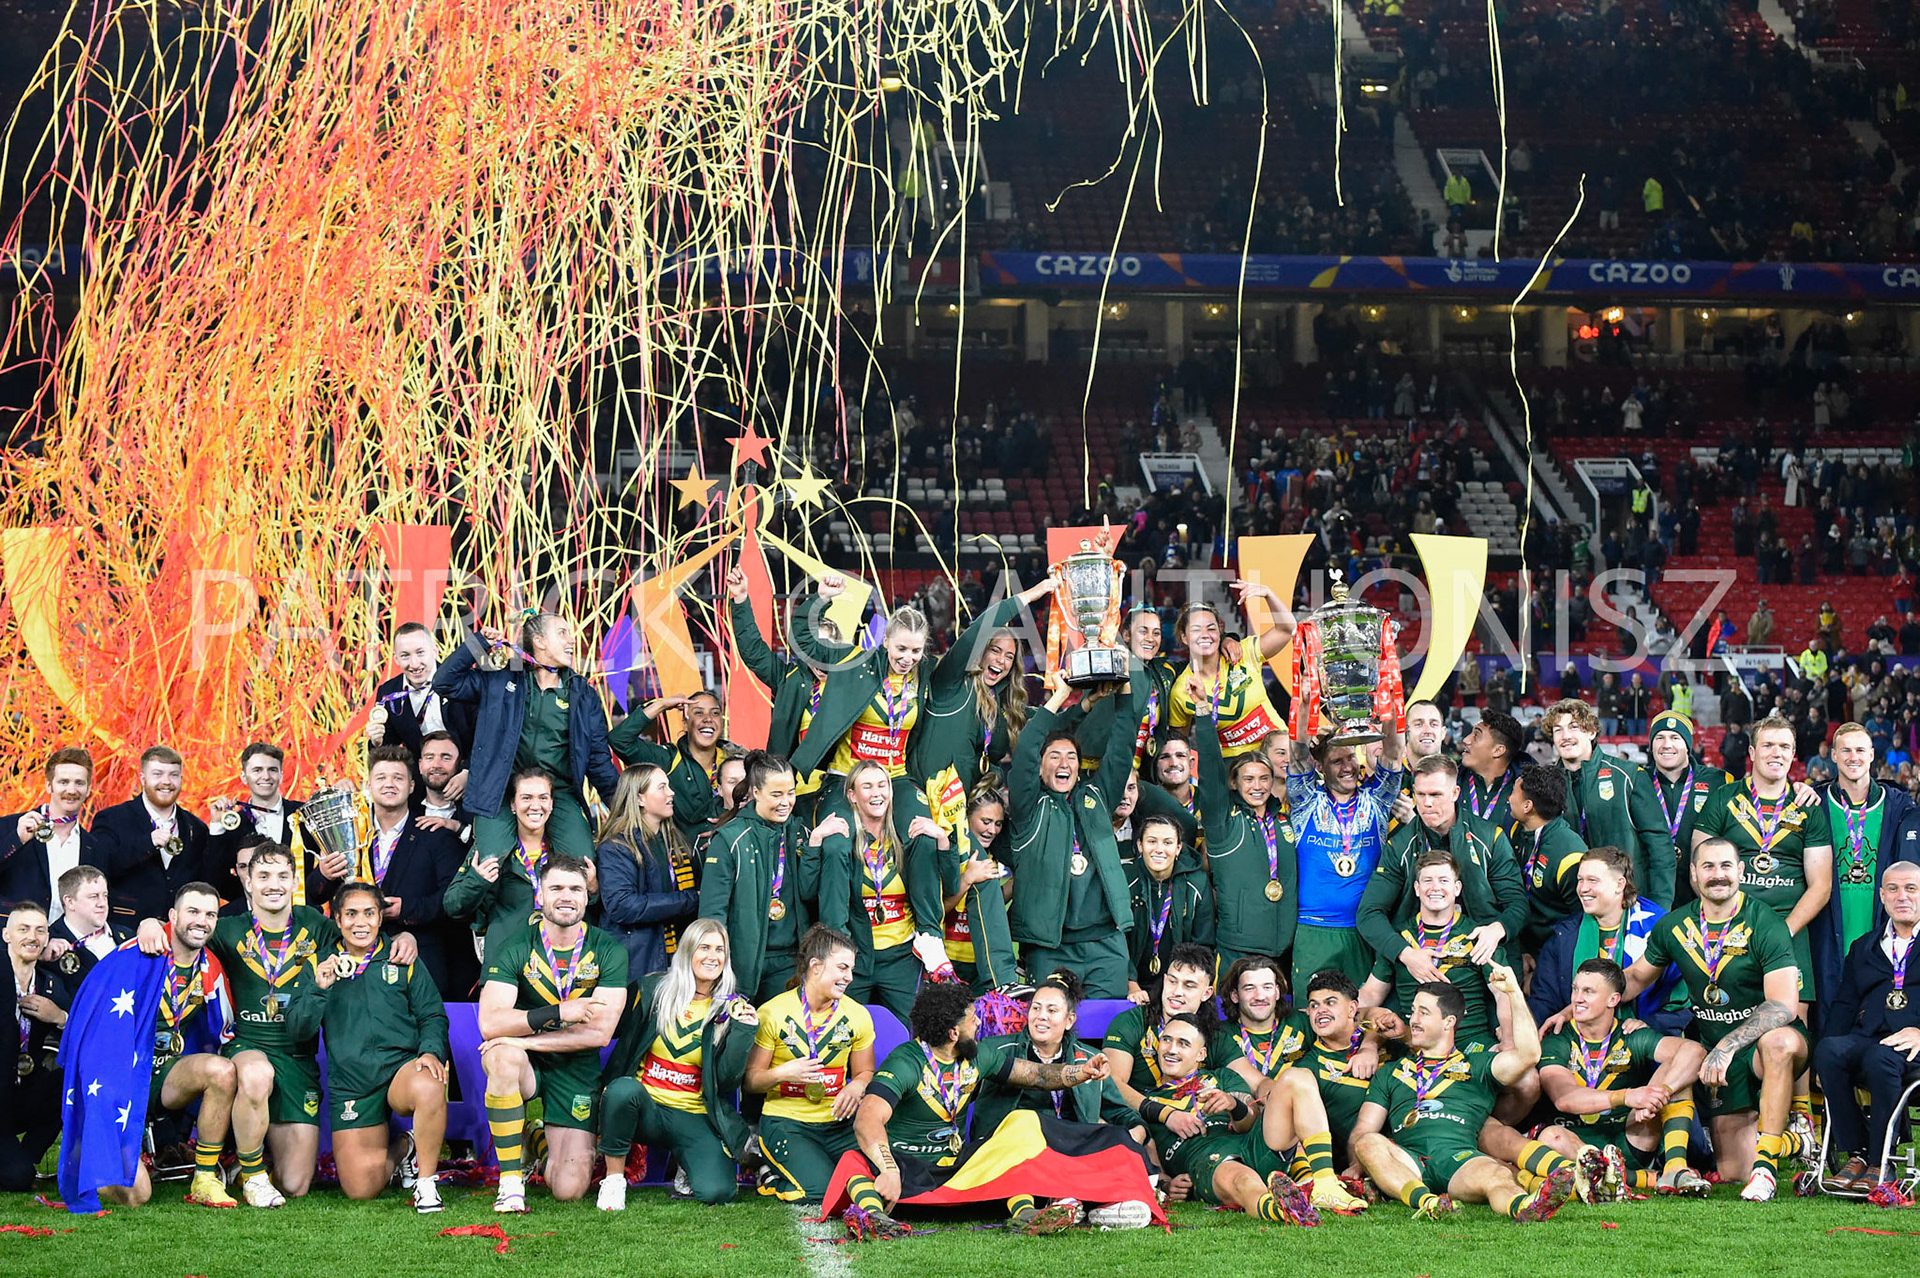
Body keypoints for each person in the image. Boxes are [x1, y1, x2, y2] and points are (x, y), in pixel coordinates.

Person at [836, 982, 1130, 1239]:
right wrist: (888, 1169)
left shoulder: (979, 1055)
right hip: (907, 1166)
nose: (978, 1023)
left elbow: (1036, 1075)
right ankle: (875, 1218)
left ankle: (1026, 1215)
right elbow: (868, 1117)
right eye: (973, 1018)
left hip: (958, 1164)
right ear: (954, 1032)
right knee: (854, 1162)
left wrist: (1081, 1072)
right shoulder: (906, 1061)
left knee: (1018, 1131)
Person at [1620, 837, 1812, 1200]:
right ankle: (1793, 1141)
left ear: (1741, 871)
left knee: (1780, 1042)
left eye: (1726, 866)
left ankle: (1768, 1168)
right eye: (1708, 867)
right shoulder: (1675, 925)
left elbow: (1784, 1005)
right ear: (1693, 875)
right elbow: (1634, 979)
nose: (1718, 875)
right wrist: (1579, 1004)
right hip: (1714, 1047)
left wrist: (1727, 1044)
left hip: (1757, 1045)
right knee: (1733, 1171)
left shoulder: (1766, 922)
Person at [56, 881, 260, 1210]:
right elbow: (94, 1033)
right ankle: (90, 1147)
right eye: (193, 911)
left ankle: (205, 1178)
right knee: (137, 1196)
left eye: (210, 914)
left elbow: (225, 1034)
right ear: (172, 915)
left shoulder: (209, 968)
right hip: (117, 1079)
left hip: (165, 1076)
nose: (201, 921)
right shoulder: (134, 955)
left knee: (221, 1070)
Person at [174, 843, 348, 1200]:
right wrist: (150, 924)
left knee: (295, 1185)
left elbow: (361, 940)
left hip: (298, 1057)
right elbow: (180, 936)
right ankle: (253, 1175)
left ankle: (240, 1165)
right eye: (264, 876)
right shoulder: (226, 928)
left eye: (283, 875)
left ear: (295, 880)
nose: (274, 884)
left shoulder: (316, 925)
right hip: (247, 1045)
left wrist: (403, 937)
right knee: (256, 1074)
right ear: (247, 881)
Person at [1350, 967, 1573, 1222]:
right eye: (1413, 1011)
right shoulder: (1390, 1071)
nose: (1414, 1019)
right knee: (1367, 1142)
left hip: (1460, 1160)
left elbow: (1529, 1055)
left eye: (1424, 1012)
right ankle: (1428, 1202)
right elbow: (1363, 1129)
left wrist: (1513, 994)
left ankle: (1524, 1206)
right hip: (1407, 1160)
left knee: (1496, 1175)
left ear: (1449, 1022)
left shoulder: (1477, 1065)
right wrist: (1358, 1164)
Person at [477, 854, 629, 1210]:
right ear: (540, 895)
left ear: (587, 896)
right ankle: (511, 1181)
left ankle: (536, 1138)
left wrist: (522, 1036)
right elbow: (490, 1023)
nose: (566, 896)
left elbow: (598, 1034)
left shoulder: (608, 951)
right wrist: (560, 1012)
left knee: (569, 1189)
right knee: (500, 1055)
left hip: (575, 1067)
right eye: (556, 887)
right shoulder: (515, 945)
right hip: (525, 1063)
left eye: (575, 888)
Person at [596, 918, 758, 1209]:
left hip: (692, 1113)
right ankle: (614, 1181)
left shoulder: (731, 1007)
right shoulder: (652, 989)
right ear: (687, 951)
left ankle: (688, 1166)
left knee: (718, 1192)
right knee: (621, 1091)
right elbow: (614, 1035)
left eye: (720, 949)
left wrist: (744, 1032)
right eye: (704, 947)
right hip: (646, 1107)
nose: (713, 956)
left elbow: (727, 1080)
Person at [434, 610, 620, 863]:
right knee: (488, 865)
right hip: (501, 791)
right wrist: (478, 644)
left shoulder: (583, 694)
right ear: (540, 641)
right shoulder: (501, 682)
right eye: (563, 633)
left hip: (559, 793)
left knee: (583, 865)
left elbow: (598, 761)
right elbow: (445, 683)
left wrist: (623, 809)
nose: (572, 641)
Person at [1005, 672, 1147, 997]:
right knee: (1048, 1032)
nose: (1063, 762)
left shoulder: (1097, 797)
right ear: (1040, 768)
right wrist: (1061, 695)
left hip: (1105, 946)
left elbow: (1122, 747)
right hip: (1050, 947)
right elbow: (1027, 747)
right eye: (1053, 756)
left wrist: (1125, 693)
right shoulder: (1030, 806)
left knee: (1103, 1031)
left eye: (1071, 756)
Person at [310, 881, 450, 1210]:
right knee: (361, 1189)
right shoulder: (319, 964)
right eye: (352, 914)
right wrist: (318, 989)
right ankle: (404, 1147)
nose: (361, 922)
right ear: (337, 919)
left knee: (429, 1082)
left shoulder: (402, 956)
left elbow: (432, 1014)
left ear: (380, 918)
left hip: (399, 1071)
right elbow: (298, 1029)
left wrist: (430, 1050)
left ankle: (426, 1184)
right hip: (353, 1082)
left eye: (369, 913)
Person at [1692, 713, 1835, 1012]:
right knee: (1729, 1021)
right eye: (1768, 745)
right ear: (1753, 752)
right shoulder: (1723, 799)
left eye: (1784, 746)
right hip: (1729, 930)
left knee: (1792, 1033)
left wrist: (1781, 932)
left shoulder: (1808, 806)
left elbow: (1821, 885)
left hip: (1789, 931)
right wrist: (1729, 922)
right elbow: (1699, 870)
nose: (1776, 753)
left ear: (1794, 754)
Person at [1536, 957, 1711, 1195]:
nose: (1577, 998)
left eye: (1588, 991)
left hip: (1629, 1138)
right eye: (1575, 989)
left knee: (1679, 1074)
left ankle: (1675, 1167)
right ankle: (1637, 1179)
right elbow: (1564, 1098)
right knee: (1550, 1137)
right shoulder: (1559, 1038)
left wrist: (1661, 1094)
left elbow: (1694, 1051)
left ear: (1613, 999)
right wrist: (1628, 1097)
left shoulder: (1630, 1033)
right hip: (1575, 1141)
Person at [1130, 1013, 1322, 1226]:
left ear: (1201, 1054)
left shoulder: (1221, 1077)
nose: (1171, 1049)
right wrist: (1165, 1184)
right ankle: (1280, 1210)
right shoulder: (1147, 1103)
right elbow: (1147, 1147)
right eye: (1166, 1040)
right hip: (1205, 1160)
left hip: (1250, 1144)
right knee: (1240, 1176)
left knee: (1297, 1077)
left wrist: (1233, 1104)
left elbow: (1249, 1122)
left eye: (1183, 1043)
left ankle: (1323, 1182)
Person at [1360, 757, 1525, 987]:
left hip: (1485, 956)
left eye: (1436, 795)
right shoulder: (1399, 845)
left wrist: (1497, 930)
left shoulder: (1490, 838)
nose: (1426, 803)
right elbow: (1368, 913)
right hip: (1419, 961)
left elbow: (1518, 904)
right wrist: (1406, 954)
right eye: (1420, 795)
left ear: (1455, 793)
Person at [745, 924, 876, 1202]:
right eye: (842, 968)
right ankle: (771, 1175)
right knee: (822, 1192)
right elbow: (751, 1081)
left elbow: (865, 1071)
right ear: (815, 966)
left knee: (871, 1182)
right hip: (787, 1123)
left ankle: (796, 1168)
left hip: (838, 1124)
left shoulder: (858, 1015)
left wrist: (857, 1087)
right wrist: (783, 1073)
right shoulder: (772, 1012)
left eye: (850, 969)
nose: (849, 977)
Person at [1814, 861, 1920, 1190]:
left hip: (1913, 1045)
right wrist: (1822, 1057)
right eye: (1893, 889)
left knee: (1880, 1058)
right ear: (1882, 896)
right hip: (1869, 1037)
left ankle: (1881, 1161)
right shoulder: (1863, 947)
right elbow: (1845, 1004)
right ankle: (1858, 1153)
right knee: (1830, 1051)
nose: (1902, 896)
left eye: (1911, 889)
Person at [699, 752, 829, 1004]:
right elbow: (712, 914)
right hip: (741, 961)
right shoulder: (730, 838)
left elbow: (809, 893)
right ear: (756, 792)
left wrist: (813, 845)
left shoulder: (800, 832)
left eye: (790, 793)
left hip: (791, 961)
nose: (786, 802)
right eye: (776, 794)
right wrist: (716, 965)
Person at [1287, 724, 1406, 993]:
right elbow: (1296, 755)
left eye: (1351, 757)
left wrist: (1389, 708)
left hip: (1364, 931)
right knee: (1311, 1016)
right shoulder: (1305, 802)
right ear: (1320, 767)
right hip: (1313, 930)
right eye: (1336, 761)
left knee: (1361, 1017)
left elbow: (1395, 752)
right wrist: (1304, 709)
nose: (1347, 766)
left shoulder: (1378, 800)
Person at [1814, 721, 1920, 1008]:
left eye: (1860, 750)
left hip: (1879, 927)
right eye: (1845, 750)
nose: (1853, 757)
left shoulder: (1899, 806)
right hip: (1827, 930)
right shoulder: (1814, 802)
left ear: (1872, 754)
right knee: (1830, 1022)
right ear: (1833, 755)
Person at [1360, 850, 1511, 1049]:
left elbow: (1504, 993)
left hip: (1469, 1043)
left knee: (1527, 1080)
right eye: (1428, 880)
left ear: (1457, 888)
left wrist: (1509, 1040)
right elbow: (1371, 994)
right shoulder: (1399, 939)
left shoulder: (1477, 936)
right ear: (1416, 888)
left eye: (1444, 880)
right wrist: (1344, 1011)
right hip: (1415, 1045)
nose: (1435, 887)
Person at [1529, 847, 1689, 1035]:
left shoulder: (1659, 929)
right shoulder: (1565, 936)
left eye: (1593, 880)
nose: (1583, 888)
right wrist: (1523, 1030)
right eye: (1580, 880)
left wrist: (1651, 1025)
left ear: (1619, 884)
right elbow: (1545, 999)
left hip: (1642, 1040)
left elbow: (1683, 1000)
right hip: (1577, 1045)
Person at [1543, 699, 1676, 910]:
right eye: (1558, 730)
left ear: (1592, 732)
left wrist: (1659, 907)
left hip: (1628, 905)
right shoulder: (1546, 784)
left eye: (1574, 727)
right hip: (1570, 909)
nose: (1565, 736)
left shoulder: (1628, 776)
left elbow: (1660, 846)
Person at [359, 745, 468, 997]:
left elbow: (454, 899)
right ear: (368, 785)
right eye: (381, 778)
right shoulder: (352, 835)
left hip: (421, 961)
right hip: (360, 960)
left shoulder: (435, 835)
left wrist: (406, 909)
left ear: (411, 786)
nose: (389, 784)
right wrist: (324, 873)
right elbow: (316, 891)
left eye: (398, 778)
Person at [1194, 704, 1296, 972]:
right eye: (1248, 779)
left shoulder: (1285, 821)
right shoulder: (1224, 824)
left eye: (1264, 778)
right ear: (1233, 783)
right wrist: (1204, 713)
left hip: (1286, 948)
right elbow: (1209, 773)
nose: (1258, 786)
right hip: (1237, 950)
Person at [445, 767, 592, 948]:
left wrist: (593, 889)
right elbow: (453, 906)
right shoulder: (492, 850)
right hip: (505, 957)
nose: (536, 806)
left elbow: (591, 908)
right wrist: (478, 880)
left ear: (552, 804)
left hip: (558, 957)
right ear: (513, 805)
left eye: (543, 798)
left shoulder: (565, 852)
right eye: (526, 798)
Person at [1166, 585, 1298, 759]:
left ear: (1220, 631)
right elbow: (1180, 743)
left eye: (1211, 628)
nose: (1205, 634)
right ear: (1184, 637)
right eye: (1196, 629)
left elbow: (1286, 630)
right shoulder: (1181, 691)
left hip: (1280, 756)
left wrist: (1268, 593)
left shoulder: (1244, 653)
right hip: (1234, 770)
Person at [974, 969, 1112, 1134]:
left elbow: (1121, 1112)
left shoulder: (1089, 1058)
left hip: (1070, 1147)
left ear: (1069, 1020)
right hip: (1012, 1149)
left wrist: (1137, 1129)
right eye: (1036, 1008)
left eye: (1051, 1010)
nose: (1041, 1016)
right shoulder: (996, 1050)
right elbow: (1039, 1075)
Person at [595, 764, 700, 980]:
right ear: (640, 798)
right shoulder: (616, 846)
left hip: (677, 958)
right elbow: (622, 906)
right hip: (637, 963)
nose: (671, 793)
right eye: (662, 787)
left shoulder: (676, 840)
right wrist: (688, 900)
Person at [95, 745, 214, 926]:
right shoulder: (112, 818)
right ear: (143, 779)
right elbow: (100, 869)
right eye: (157, 774)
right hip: (126, 930)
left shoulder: (196, 827)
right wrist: (147, 843)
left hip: (177, 935)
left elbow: (205, 881)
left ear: (181, 779)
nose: (166, 782)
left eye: (173, 775)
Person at [1103, 942, 1218, 1125]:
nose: (1177, 992)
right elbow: (1112, 1084)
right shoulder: (1131, 1022)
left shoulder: (1212, 1030)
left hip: (1192, 1121)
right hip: (1139, 1119)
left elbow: (1254, 1081)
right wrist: (1164, 1114)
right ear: (1164, 980)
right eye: (1172, 981)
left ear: (1206, 993)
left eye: (1189, 985)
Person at [206, 743, 330, 907]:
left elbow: (324, 869)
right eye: (257, 770)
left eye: (272, 770)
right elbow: (216, 881)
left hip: (303, 914)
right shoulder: (232, 824)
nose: (265, 776)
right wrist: (217, 826)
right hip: (251, 920)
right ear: (244, 777)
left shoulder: (305, 814)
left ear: (280, 775)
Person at [2, 903, 70, 1192]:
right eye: (24, 929)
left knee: (68, 1082)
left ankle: (25, 1160)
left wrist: (59, 1017)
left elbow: (82, 1031)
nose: (33, 936)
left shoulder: (50, 982)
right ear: (6, 935)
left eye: (40, 930)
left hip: (20, 1094)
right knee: (15, 1179)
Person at [1645, 712, 1735, 907]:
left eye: (1675, 737)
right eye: (1659, 738)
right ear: (1651, 745)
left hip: (1702, 892)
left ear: (1687, 744)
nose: (1666, 744)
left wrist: (1799, 788)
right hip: (1650, 893)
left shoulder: (1719, 781)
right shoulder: (1637, 781)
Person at [610, 690, 729, 835]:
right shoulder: (668, 759)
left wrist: (729, 828)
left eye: (715, 713)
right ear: (685, 724)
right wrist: (661, 705)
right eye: (698, 713)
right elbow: (620, 739)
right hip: (679, 853)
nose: (708, 719)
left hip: (729, 851)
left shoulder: (736, 762)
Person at [939, 779, 1017, 992]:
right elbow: (935, 911)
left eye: (998, 823)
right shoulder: (948, 855)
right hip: (948, 962)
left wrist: (1017, 881)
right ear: (967, 817)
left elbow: (991, 907)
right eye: (986, 821)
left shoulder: (993, 856)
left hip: (981, 966)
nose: (992, 830)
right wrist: (966, 880)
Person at [369, 620, 477, 772]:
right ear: (396, 658)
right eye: (405, 655)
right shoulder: (388, 692)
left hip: (468, 776)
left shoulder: (462, 681)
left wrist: (467, 772)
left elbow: (485, 735)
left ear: (435, 650)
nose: (414, 664)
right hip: (423, 783)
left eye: (420, 653)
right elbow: (388, 751)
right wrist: (377, 742)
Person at [0, 747, 97, 915]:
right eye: (63, 782)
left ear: (88, 789)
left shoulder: (94, 847)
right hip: (14, 938)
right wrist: (16, 840)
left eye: (79, 783)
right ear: (48, 785)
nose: (72, 790)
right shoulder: (10, 827)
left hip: (66, 940)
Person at [1125, 814, 1214, 995]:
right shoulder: (1124, 879)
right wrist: (1130, 982)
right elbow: (1115, 939)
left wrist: (1181, 986)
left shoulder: (1197, 883)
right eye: (1152, 841)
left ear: (1178, 848)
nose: (1159, 849)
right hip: (1131, 985)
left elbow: (1203, 945)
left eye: (1167, 843)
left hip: (1179, 985)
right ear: (1140, 846)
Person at [1510, 764, 1589, 951]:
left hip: (1558, 952)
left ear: (1527, 806)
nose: (1509, 798)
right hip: (1525, 946)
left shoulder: (1570, 855)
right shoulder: (1517, 831)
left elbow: (1582, 919)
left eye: (1513, 793)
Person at [44, 864, 131, 993]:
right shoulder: (48, 947)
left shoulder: (128, 936)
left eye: (105, 895)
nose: (102, 903)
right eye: (93, 897)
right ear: (70, 902)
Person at [1459, 711, 1525, 834]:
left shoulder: (1527, 793)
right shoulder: (1451, 782)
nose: (1466, 740)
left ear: (1498, 750)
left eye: (1476, 735)